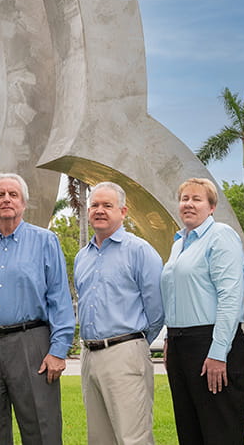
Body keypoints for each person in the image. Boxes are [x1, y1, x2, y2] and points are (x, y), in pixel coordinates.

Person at [0, 172, 75, 445]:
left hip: (32, 344)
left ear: (24, 203)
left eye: (13, 195)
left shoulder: (45, 241)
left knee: (41, 427)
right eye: (0, 195)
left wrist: (58, 351)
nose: (6, 199)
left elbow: (59, 298)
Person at [160, 177, 244, 445]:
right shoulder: (179, 243)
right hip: (180, 345)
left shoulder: (220, 236)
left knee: (220, 434)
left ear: (211, 207)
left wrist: (218, 352)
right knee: (190, 433)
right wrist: (168, 339)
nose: (188, 204)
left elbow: (230, 296)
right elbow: (179, 295)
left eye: (196, 199)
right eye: (184, 199)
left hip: (212, 346)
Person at [74, 182, 164, 445]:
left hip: (125, 353)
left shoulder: (139, 251)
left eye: (107, 205)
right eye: (95, 205)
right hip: (89, 356)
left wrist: (133, 345)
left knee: (132, 438)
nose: (99, 210)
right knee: (100, 439)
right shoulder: (83, 257)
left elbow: (157, 310)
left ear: (123, 211)